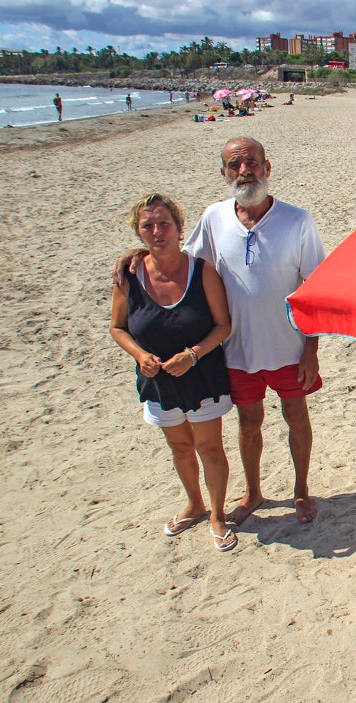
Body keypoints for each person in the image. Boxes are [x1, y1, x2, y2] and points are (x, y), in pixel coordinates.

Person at [115, 137, 327, 525]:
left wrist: (311, 349)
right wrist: (139, 255)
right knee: (249, 423)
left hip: (289, 346)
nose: (244, 170)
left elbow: (315, 287)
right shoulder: (214, 218)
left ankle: (301, 490)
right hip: (236, 350)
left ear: (267, 167)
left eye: (252, 162)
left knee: (296, 416)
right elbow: (185, 258)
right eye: (235, 165)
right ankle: (254, 491)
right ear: (225, 173)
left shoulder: (298, 220)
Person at [110, 193, 238, 552]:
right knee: (180, 447)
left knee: (209, 448)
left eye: (164, 223)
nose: (156, 231)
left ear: (180, 229)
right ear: (138, 231)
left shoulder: (202, 271)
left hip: (202, 376)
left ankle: (216, 514)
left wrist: (192, 355)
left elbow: (222, 325)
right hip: (158, 380)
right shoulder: (128, 276)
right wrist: (139, 355)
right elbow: (117, 327)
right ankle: (194, 505)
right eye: (147, 225)